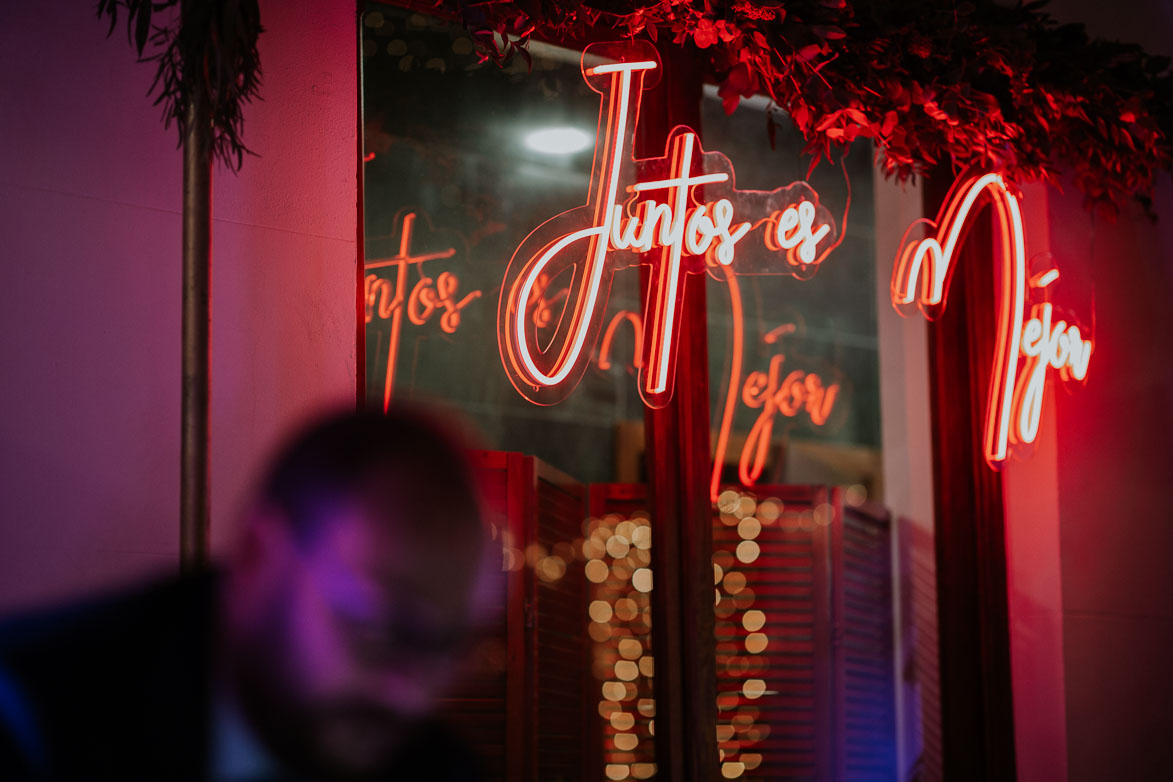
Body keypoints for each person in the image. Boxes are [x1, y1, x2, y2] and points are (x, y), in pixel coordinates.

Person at [0, 407, 492, 780]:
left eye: (442, 649)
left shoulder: (435, 764)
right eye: (376, 633)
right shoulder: (35, 717)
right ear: (259, 557)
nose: (407, 695)